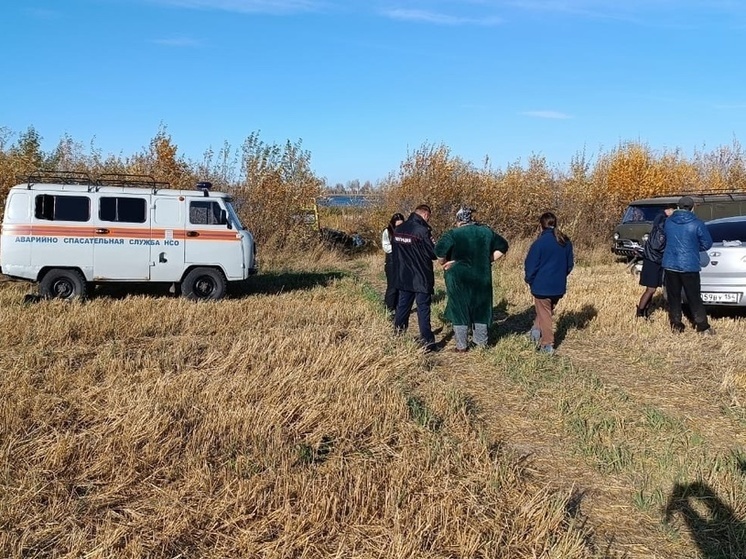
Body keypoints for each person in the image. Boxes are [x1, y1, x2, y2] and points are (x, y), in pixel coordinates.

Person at [434, 207, 509, 352]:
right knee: (481, 307)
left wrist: (445, 263)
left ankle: (462, 346)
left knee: (459, 307)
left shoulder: (453, 234)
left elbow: (439, 252)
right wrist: (487, 260)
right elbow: (503, 246)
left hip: (458, 277)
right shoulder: (486, 232)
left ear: (458, 220)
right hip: (482, 275)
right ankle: (480, 343)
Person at [661, 196, 714, 335]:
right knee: (694, 296)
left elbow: (665, 239)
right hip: (689, 264)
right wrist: (694, 248)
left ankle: (676, 324)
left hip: (670, 263)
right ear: (692, 207)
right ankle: (702, 326)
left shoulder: (668, 222)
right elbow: (707, 244)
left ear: (678, 207)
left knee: (674, 296)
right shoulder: (697, 223)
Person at [524, 212, 574, 355]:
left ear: (541, 225)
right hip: (558, 286)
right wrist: (560, 277)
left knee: (545, 314)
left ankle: (547, 345)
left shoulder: (539, 243)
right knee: (545, 311)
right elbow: (570, 265)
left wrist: (530, 280)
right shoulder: (565, 242)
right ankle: (534, 333)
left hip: (542, 286)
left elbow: (530, 266)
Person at [392, 204, 439, 352]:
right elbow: (433, 253)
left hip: (404, 275)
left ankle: (398, 335)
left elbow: (394, 252)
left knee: (403, 307)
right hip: (421, 276)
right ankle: (428, 341)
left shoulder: (398, 229)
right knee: (423, 309)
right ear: (425, 215)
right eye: (429, 217)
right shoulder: (423, 231)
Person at [636, 203, 677, 318]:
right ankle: (640, 313)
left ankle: (644, 312)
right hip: (653, 259)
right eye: (673, 211)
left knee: (651, 289)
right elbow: (658, 244)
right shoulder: (662, 221)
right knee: (651, 289)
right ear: (668, 210)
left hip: (653, 258)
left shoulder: (659, 219)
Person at [381, 212, 405, 315]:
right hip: (391, 262)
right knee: (392, 286)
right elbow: (386, 247)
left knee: (401, 286)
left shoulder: (406, 231)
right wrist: (398, 248)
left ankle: (397, 307)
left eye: (401, 224)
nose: (399, 226)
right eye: (398, 224)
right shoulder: (387, 232)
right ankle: (388, 308)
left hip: (403, 262)